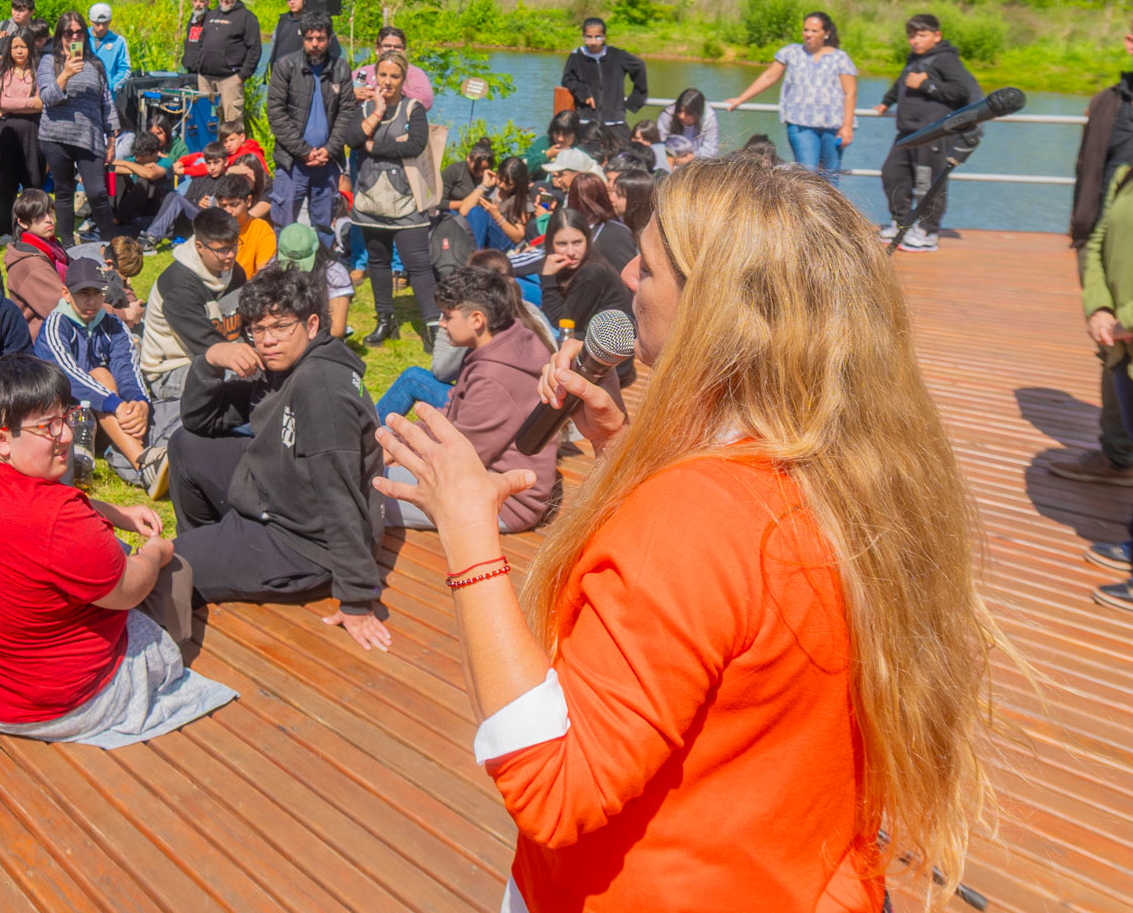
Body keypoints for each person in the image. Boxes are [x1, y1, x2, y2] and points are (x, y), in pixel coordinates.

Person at [378, 156, 1001, 913]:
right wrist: (619, 449)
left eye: (649, 266)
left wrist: (469, 535)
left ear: (715, 310)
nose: (627, 275)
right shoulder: (857, 471)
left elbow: (554, 783)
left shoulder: (695, 516)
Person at [0, 354, 236, 747]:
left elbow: (54, 511)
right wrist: (157, 552)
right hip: (46, 706)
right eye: (48, 426)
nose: (66, 435)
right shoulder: (59, 520)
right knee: (173, 571)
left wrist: (119, 514)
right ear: (2, 440)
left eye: (66, 416)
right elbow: (129, 589)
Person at [169, 267, 388, 650]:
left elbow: (340, 494)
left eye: (281, 327)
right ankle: (209, 548)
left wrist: (356, 598)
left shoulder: (321, 389)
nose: (268, 340)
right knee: (187, 445)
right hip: (276, 491)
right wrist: (210, 361)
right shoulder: (282, 367)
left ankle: (203, 561)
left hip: (305, 543)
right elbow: (200, 421)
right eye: (258, 329)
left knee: (168, 566)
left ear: (312, 324)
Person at [377, 264, 557, 533]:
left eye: (447, 316)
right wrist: (396, 443)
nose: (442, 323)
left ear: (476, 320)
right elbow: (450, 415)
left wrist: (397, 452)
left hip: (505, 500)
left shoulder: (493, 378)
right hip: (480, 476)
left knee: (365, 490)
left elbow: (460, 457)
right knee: (367, 470)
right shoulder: (505, 340)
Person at [1058, 23, 1133, 488]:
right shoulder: (1108, 102)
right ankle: (1118, 454)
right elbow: (1090, 166)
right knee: (1111, 345)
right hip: (1106, 236)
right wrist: (1083, 227)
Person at [38, 258, 169, 494]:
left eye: (97, 293)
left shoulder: (114, 325)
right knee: (100, 375)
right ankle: (143, 463)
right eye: (83, 293)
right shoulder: (55, 326)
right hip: (62, 420)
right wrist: (115, 404)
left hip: (108, 420)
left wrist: (140, 403)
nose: (91, 300)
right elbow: (68, 376)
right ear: (66, 294)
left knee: (109, 379)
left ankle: (147, 460)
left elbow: (128, 368)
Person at [347, 52, 441, 349]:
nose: (387, 81)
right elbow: (352, 139)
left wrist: (374, 146)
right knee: (378, 261)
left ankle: (435, 327)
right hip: (370, 200)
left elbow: (416, 145)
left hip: (406, 200)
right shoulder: (365, 108)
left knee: (418, 264)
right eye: (383, 75)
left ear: (404, 79)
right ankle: (385, 320)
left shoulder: (413, 109)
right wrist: (376, 112)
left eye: (394, 76)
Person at [874, 13, 983, 252]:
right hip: (908, 133)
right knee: (892, 175)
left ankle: (927, 233)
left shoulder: (946, 59)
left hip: (933, 134)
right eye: (912, 36)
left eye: (922, 35)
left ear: (937, 36)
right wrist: (886, 102)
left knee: (928, 183)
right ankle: (901, 224)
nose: (916, 41)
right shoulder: (915, 58)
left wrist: (926, 85)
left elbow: (962, 91)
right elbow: (902, 82)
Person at [723, 12, 858, 176]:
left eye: (814, 31)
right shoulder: (791, 52)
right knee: (806, 172)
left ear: (826, 33)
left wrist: (847, 126)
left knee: (830, 173)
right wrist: (741, 98)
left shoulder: (840, 58)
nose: (808, 34)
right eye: (806, 30)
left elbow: (850, 92)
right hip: (800, 123)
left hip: (834, 124)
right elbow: (769, 77)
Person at [139, 207, 246, 406]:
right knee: (239, 384)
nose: (230, 255)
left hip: (218, 354)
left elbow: (246, 320)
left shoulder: (234, 271)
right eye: (221, 250)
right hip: (171, 370)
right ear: (199, 246)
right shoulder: (179, 286)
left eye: (234, 246)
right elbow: (209, 346)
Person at [37, 9, 120, 242]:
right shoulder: (49, 61)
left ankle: (111, 245)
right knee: (64, 192)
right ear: (60, 35)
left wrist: (111, 140)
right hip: (56, 137)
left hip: (89, 137)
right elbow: (47, 97)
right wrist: (65, 74)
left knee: (97, 192)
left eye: (79, 32)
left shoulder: (95, 64)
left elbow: (106, 102)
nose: (74, 37)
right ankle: (67, 247)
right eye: (68, 32)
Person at [265, 11, 350, 232]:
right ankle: (283, 257)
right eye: (309, 38)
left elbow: (346, 113)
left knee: (324, 226)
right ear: (302, 37)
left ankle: (323, 257)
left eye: (320, 39)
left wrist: (329, 150)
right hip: (292, 162)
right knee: (284, 225)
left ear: (329, 39)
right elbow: (276, 113)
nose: (315, 44)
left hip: (327, 162)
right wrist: (303, 151)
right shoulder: (285, 66)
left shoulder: (341, 68)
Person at [539, 207, 636, 387]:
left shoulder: (591, 273)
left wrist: (547, 277)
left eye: (577, 242)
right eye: (562, 244)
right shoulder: (579, 265)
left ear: (587, 239)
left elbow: (562, 322)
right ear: (550, 243)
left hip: (608, 364)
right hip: (596, 346)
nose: (570, 251)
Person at [0, 28, 45, 241]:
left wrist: (13, 104)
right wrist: (30, 103)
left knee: (33, 181)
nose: (19, 51)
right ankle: (6, 230)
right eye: (15, 47)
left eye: (23, 46)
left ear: (30, 47)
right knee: (7, 183)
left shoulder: (39, 72)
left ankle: (34, 229)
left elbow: (42, 102)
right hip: (7, 131)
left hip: (33, 130)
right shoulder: (3, 73)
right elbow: (0, 101)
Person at [185, 0, 261, 124]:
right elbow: (201, 41)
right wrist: (200, 65)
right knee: (206, 123)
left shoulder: (247, 17)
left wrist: (241, 76)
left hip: (230, 80)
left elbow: (255, 49)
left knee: (232, 124)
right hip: (205, 79)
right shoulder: (211, 15)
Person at [2, 187, 71, 341]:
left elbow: (78, 270)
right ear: (23, 223)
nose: (49, 219)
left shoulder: (51, 246)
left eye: (50, 212)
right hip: (44, 340)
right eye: (39, 216)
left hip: (61, 329)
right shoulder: (31, 265)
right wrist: (120, 313)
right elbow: (66, 308)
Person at [560, 17, 648, 129]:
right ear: (583, 36)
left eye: (598, 37)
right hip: (586, 121)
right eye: (588, 37)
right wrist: (582, 90)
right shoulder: (576, 56)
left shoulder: (617, 55)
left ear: (604, 37)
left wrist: (635, 100)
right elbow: (567, 79)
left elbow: (639, 67)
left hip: (615, 121)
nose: (593, 42)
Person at [353, 25, 435, 110]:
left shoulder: (415, 73)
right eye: (387, 46)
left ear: (404, 50)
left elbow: (425, 100)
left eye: (398, 47)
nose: (392, 49)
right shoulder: (364, 71)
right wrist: (355, 94)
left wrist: (381, 95)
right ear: (377, 48)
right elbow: (345, 93)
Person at [654, 88, 719, 159]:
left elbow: (711, 149)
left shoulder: (708, 118)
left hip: (696, 160)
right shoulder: (668, 114)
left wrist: (691, 157)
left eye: (687, 113)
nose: (681, 116)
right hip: (669, 157)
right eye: (679, 111)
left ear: (697, 113)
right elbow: (659, 143)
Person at [85, 3, 131, 97]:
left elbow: (124, 69)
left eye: (104, 23)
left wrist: (111, 87)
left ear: (110, 21)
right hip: (85, 94)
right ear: (90, 21)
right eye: (97, 24)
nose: (101, 27)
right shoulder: (81, 38)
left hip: (107, 97)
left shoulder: (118, 42)